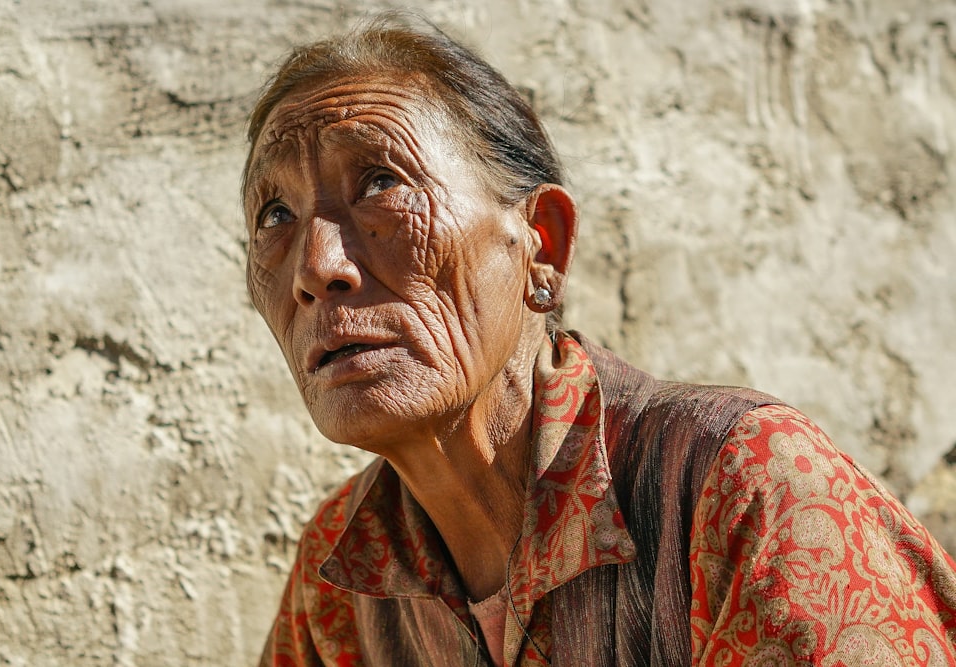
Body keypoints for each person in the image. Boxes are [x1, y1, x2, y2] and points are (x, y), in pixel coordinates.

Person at [241, 13, 956, 667]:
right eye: (276, 213)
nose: (316, 268)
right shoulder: (344, 574)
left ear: (541, 246)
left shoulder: (739, 486)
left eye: (379, 182)